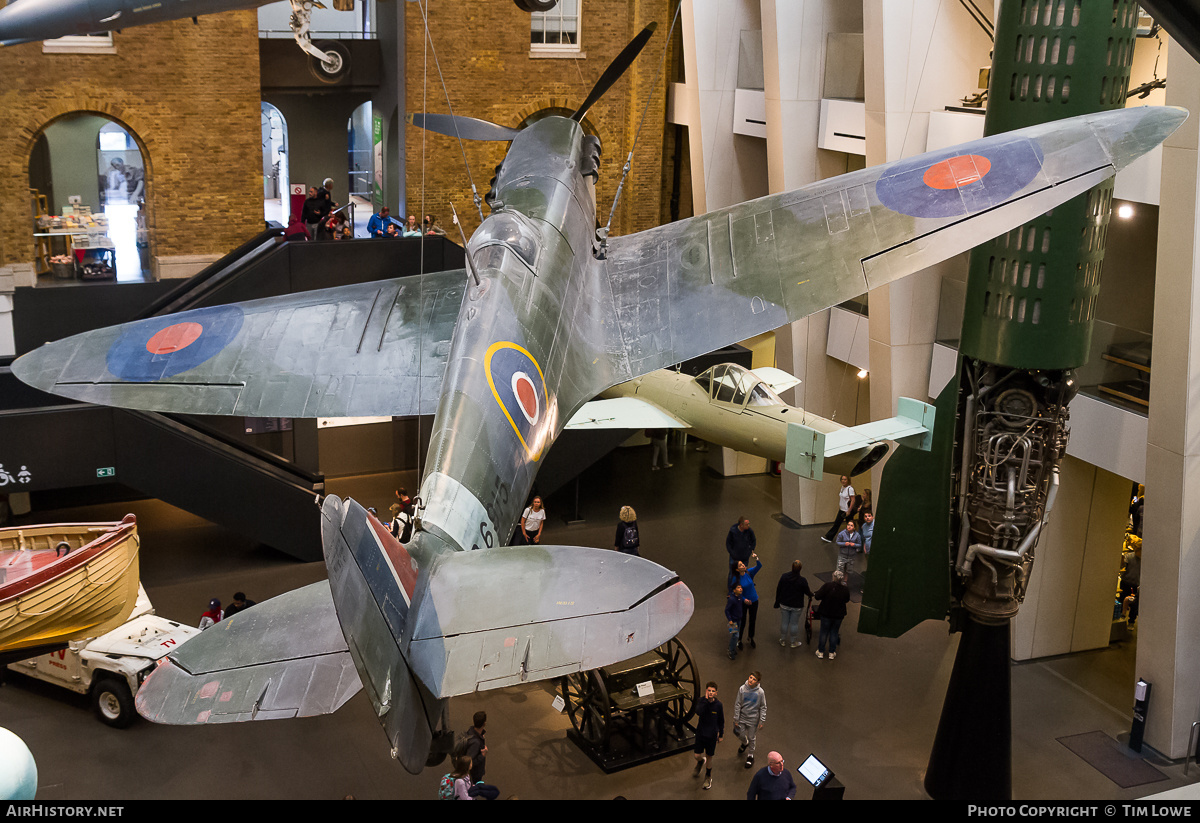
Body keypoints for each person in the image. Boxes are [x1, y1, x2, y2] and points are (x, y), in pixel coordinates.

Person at [691, 682, 724, 791]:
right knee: (696, 755)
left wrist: (721, 734)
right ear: (706, 691)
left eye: (713, 691)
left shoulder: (718, 705)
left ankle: (708, 777)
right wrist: (705, 701)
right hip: (701, 733)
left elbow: (721, 721)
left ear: (716, 693)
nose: (710, 693)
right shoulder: (701, 701)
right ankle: (700, 761)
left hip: (711, 736)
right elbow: (698, 712)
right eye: (709, 690)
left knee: (709, 757)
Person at [774, 560, 812, 648]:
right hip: (797, 606)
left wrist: (777, 601)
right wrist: (812, 594)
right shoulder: (802, 580)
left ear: (792, 567)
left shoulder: (784, 577)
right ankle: (793, 642)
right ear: (800, 569)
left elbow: (778, 589)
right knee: (794, 624)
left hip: (784, 604)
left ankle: (782, 640)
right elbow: (807, 592)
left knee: (784, 622)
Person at [814, 570, 851, 659]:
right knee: (834, 632)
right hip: (838, 615)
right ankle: (831, 652)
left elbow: (817, 596)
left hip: (826, 613)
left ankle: (821, 651)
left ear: (833, 577)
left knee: (824, 632)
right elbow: (846, 600)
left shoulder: (827, 586)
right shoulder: (845, 589)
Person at [733, 671, 767, 769]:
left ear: (757, 682)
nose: (751, 680)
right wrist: (736, 718)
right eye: (750, 677)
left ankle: (750, 756)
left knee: (752, 737)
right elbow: (738, 704)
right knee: (740, 734)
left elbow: (763, 707)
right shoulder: (742, 689)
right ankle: (744, 743)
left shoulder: (760, 692)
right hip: (742, 717)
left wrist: (762, 721)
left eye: (754, 679)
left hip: (753, 720)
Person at [729, 555, 762, 650]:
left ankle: (751, 637)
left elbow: (759, 566)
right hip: (743, 602)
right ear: (737, 569)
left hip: (754, 600)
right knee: (742, 621)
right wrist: (744, 600)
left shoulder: (749, 572)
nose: (743, 565)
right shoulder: (736, 579)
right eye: (740, 565)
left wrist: (756, 558)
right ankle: (739, 640)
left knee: (752, 620)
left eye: (743, 564)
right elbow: (736, 592)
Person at [822, 475, 855, 543]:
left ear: (848, 480)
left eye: (845, 479)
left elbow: (853, 500)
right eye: (842, 479)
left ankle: (853, 540)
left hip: (847, 511)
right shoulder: (842, 488)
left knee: (850, 526)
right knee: (837, 524)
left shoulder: (850, 489)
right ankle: (829, 537)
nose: (843, 481)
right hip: (842, 510)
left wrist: (849, 511)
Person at [726, 584, 747, 660]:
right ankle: (730, 650)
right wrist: (730, 620)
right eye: (738, 588)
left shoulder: (740, 597)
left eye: (741, 587)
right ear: (734, 590)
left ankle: (733, 648)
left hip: (739, 619)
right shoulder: (732, 599)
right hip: (733, 621)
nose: (741, 589)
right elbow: (727, 610)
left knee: (735, 636)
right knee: (736, 636)